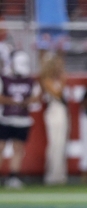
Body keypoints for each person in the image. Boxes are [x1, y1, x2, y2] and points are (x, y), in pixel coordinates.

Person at [0, 51, 41, 189]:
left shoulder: (30, 81)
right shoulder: (3, 78)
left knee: (18, 149)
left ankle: (13, 177)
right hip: (5, 118)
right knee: (1, 147)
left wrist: (26, 101)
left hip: (22, 119)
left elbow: (37, 97)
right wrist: (13, 101)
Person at [40, 53, 69, 185]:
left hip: (62, 110)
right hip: (53, 111)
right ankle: (51, 174)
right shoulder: (46, 80)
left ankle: (60, 174)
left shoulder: (57, 79)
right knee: (54, 143)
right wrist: (62, 82)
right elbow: (57, 94)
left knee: (62, 143)